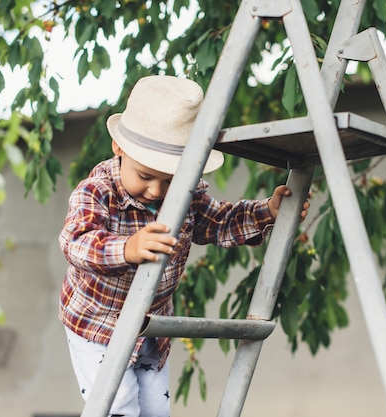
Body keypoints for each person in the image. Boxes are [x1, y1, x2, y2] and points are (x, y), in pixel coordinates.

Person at [58, 75, 310, 417]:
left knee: (155, 410)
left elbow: (219, 222)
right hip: (98, 325)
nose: (157, 191)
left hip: (151, 329)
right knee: (119, 404)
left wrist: (267, 211)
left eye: (170, 179)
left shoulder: (185, 195)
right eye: (145, 176)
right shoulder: (97, 192)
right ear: (119, 149)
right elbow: (76, 241)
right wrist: (128, 248)